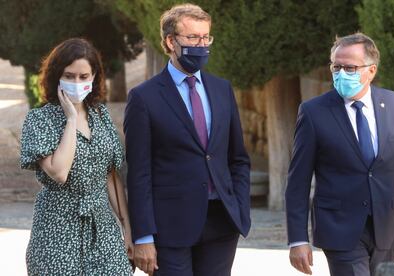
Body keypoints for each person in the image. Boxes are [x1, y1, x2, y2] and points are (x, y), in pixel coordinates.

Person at [124, 3, 251, 276]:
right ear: (170, 41)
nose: (202, 45)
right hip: (170, 227)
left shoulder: (222, 89)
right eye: (193, 38)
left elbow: (237, 158)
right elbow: (138, 173)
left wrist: (240, 208)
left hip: (221, 222)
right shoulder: (144, 98)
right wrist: (143, 236)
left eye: (206, 38)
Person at [285, 32, 394, 276]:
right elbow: (298, 180)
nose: (341, 73)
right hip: (339, 228)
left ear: (371, 70)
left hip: (387, 226)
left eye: (350, 67)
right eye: (337, 66)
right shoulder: (314, 112)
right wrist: (297, 239)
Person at [20, 38, 134, 275]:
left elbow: (111, 175)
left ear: (94, 77)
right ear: (56, 76)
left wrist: (128, 230)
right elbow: (59, 173)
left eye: (84, 77)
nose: (76, 82)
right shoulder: (41, 120)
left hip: (102, 227)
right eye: (69, 76)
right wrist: (71, 119)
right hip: (57, 228)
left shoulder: (101, 115)